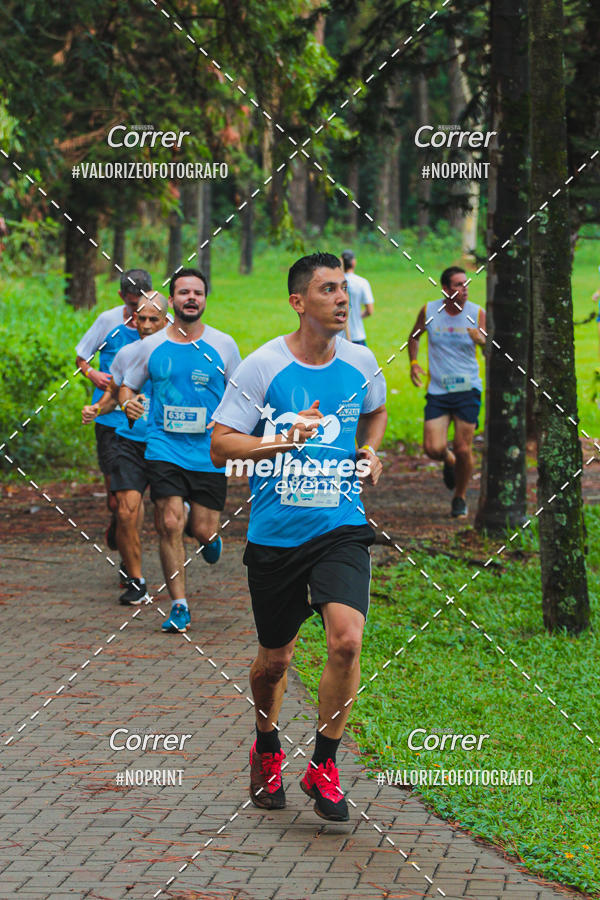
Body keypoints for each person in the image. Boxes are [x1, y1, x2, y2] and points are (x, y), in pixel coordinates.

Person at [211, 252, 387, 822]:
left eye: (344, 289)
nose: (343, 298)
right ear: (298, 302)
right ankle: (266, 744)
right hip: (276, 535)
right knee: (274, 661)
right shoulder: (262, 368)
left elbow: (376, 410)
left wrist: (370, 451)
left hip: (340, 525)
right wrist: (282, 442)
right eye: (329, 289)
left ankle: (324, 764)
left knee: (347, 641)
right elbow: (221, 445)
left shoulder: (361, 363)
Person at [120, 267, 241, 632]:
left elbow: (242, 395)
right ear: (171, 300)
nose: (191, 298)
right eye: (184, 292)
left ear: (205, 300)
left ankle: (207, 537)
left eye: (198, 293)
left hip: (208, 452)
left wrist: (228, 425)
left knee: (203, 529)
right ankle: (179, 606)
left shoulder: (224, 345)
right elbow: (127, 387)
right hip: (163, 447)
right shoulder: (151, 346)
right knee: (169, 521)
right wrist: (129, 404)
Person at [81, 293, 169, 605]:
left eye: (152, 319)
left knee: (167, 520)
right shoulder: (127, 353)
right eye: (140, 318)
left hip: (168, 445)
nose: (144, 325)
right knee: (126, 509)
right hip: (128, 441)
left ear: (166, 321)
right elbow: (110, 394)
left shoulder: (182, 353)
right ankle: (136, 580)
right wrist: (96, 409)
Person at [75, 269, 153, 560]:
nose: (137, 314)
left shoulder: (163, 325)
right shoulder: (107, 321)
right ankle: (118, 527)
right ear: (122, 297)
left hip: (149, 424)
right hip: (110, 419)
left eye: (142, 305)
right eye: (132, 306)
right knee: (115, 500)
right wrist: (92, 373)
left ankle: (128, 564)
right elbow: (81, 357)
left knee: (132, 500)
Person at [408, 266, 486, 518]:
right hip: (439, 390)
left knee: (464, 448)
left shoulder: (476, 313)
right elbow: (414, 336)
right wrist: (414, 363)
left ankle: (460, 497)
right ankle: (449, 461)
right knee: (432, 448)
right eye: (457, 285)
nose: (463, 289)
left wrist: (482, 341)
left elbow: (491, 352)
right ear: (445, 289)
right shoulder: (430, 310)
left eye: (466, 284)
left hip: (467, 389)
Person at [341, 249, 374, 346]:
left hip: (338, 337)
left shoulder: (335, 283)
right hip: (357, 334)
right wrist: (357, 316)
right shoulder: (362, 282)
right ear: (353, 262)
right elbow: (370, 310)